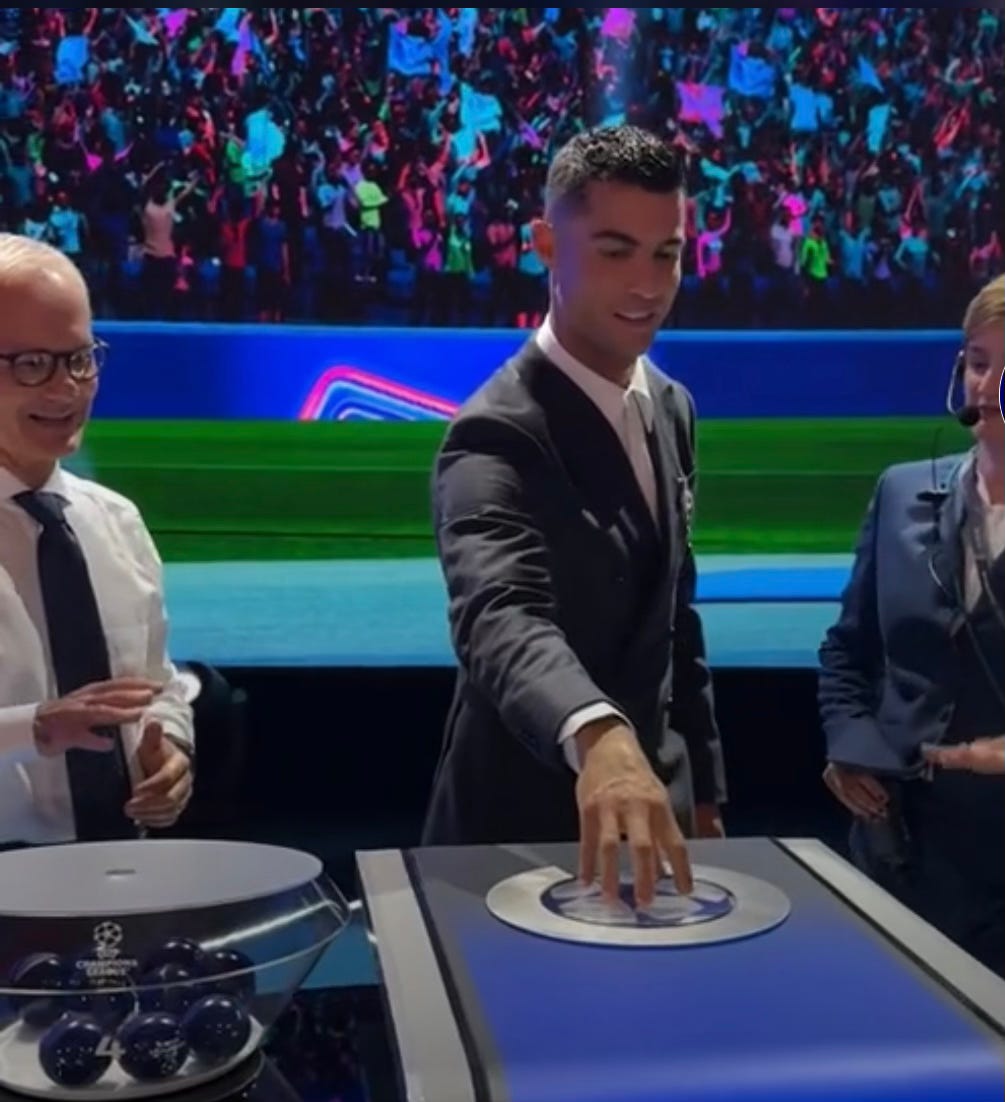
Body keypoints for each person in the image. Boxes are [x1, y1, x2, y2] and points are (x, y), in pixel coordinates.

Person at [422, 126, 727, 906]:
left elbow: (672, 618)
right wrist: (597, 732)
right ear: (544, 245)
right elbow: (500, 614)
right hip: (514, 842)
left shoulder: (672, 406)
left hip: (657, 824)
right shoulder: (493, 431)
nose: (647, 284)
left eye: (666, 254)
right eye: (615, 251)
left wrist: (702, 789)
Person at [819, 274, 1004, 975]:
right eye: (978, 362)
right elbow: (847, 651)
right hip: (899, 859)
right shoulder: (900, 491)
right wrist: (850, 745)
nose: (989, 387)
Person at [0, 233, 194, 849]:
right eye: (32, 363)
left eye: (80, 359)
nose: (66, 388)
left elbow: (158, 685)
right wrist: (33, 730)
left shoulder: (116, 522)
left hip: (120, 874)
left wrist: (172, 749)